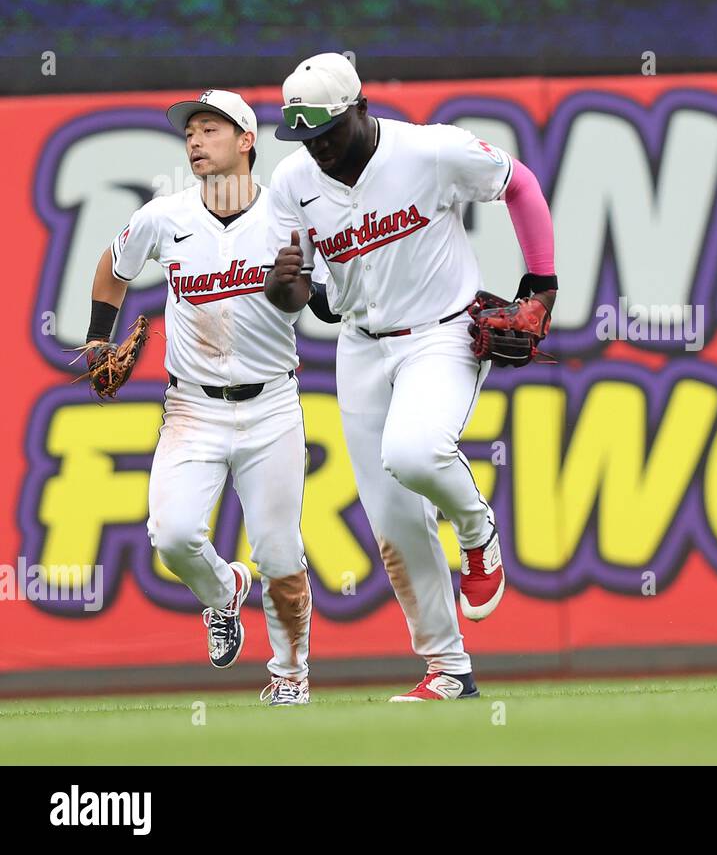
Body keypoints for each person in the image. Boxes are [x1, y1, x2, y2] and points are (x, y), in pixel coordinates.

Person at [264, 53, 557, 701]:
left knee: (415, 452)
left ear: (360, 110)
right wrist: (285, 289)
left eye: (327, 134)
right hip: (361, 346)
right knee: (394, 522)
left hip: (443, 333)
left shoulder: (429, 151)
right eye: (305, 139)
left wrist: (542, 286)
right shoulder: (293, 180)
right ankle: (447, 669)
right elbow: (306, 294)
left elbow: (520, 184)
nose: (318, 151)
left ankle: (477, 532)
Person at [85, 90, 313, 704]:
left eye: (211, 129)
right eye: (189, 132)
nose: (194, 140)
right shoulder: (166, 216)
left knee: (280, 553)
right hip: (193, 406)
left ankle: (290, 678)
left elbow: (319, 304)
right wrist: (97, 340)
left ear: (246, 141)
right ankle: (223, 594)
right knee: (174, 534)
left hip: (270, 406)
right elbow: (113, 265)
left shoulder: (286, 218)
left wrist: (293, 289)